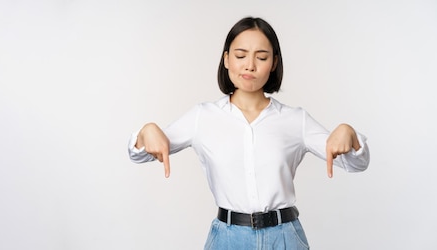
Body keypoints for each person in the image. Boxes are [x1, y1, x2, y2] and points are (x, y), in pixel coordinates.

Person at [128, 16, 370, 250]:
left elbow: (356, 163)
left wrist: (350, 136)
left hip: (284, 237)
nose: (250, 65)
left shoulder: (296, 120)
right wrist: (146, 132)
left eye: (261, 57)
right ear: (226, 59)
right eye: (240, 55)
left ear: (274, 63)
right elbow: (143, 152)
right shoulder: (202, 117)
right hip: (227, 238)